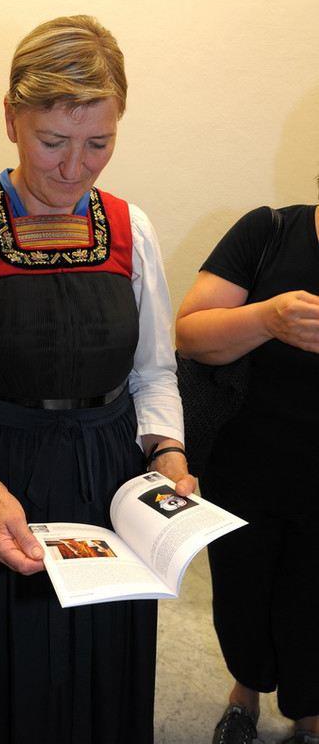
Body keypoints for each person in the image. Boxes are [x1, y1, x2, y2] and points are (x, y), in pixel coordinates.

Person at [0, 14, 195, 744]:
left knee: (104, 656)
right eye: (52, 141)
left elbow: (153, 373)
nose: (74, 168)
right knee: (7, 669)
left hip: (109, 478)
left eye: (99, 143)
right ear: (10, 118)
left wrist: (167, 453)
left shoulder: (131, 230)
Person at [175, 200, 319, 744]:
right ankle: (245, 693)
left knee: (313, 605)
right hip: (244, 468)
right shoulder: (270, 231)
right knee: (242, 593)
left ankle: (310, 715)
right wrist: (266, 318)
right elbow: (190, 335)